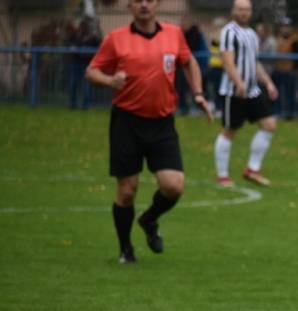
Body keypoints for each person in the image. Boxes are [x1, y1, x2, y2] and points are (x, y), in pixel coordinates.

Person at [86, 0, 213, 264]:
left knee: (173, 186)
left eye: (150, 0)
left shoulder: (174, 34)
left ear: (158, 5)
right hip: (127, 122)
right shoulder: (116, 39)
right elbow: (91, 71)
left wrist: (198, 94)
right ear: (130, 6)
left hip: (162, 122)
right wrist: (111, 80)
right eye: (138, 1)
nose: (144, 5)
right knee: (127, 190)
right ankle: (126, 250)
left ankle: (149, 219)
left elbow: (189, 63)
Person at [213, 0, 280, 188]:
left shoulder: (251, 34)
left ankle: (252, 169)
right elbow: (227, 61)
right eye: (240, 9)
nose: (243, 12)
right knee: (230, 131)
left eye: (247, 10)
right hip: (233, 91)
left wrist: (268, 82)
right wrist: (238, 82)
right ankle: (223, 176)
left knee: (269, 125)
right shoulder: (228, 32)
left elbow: (254, 62)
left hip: (252, 90)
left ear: (250, 12)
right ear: (233, 11)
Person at [176, 14, 209, 115]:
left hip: (198, 66)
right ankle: (183, 107)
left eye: (185, 22)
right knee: (182, 86)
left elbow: (190, 51)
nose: (183, 24)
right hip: (184, 66)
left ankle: (197, 107)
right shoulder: (181, 33)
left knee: (196, 86)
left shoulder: (196, 34)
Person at [67, 16, 101, 110]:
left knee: (86, 86)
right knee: (73, 84)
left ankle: (86, 105)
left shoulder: (92, 37)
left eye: (85, 26)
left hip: (87, 64)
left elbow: (98, 45)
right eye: (81, 25)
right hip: (76, 63)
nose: (83, 27)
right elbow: (70, 44)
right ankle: (72, 104)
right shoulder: (76, 35)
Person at [272, 17, 298, 119]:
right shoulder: (277, 39)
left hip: (290, 71)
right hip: (279, 70)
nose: (285, 29)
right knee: (277, 93)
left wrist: (295, 70)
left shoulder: (295, 40)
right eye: (283, 27)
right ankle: (278, 112)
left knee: (290, 94)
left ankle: (290, 114)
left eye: (287, 27)